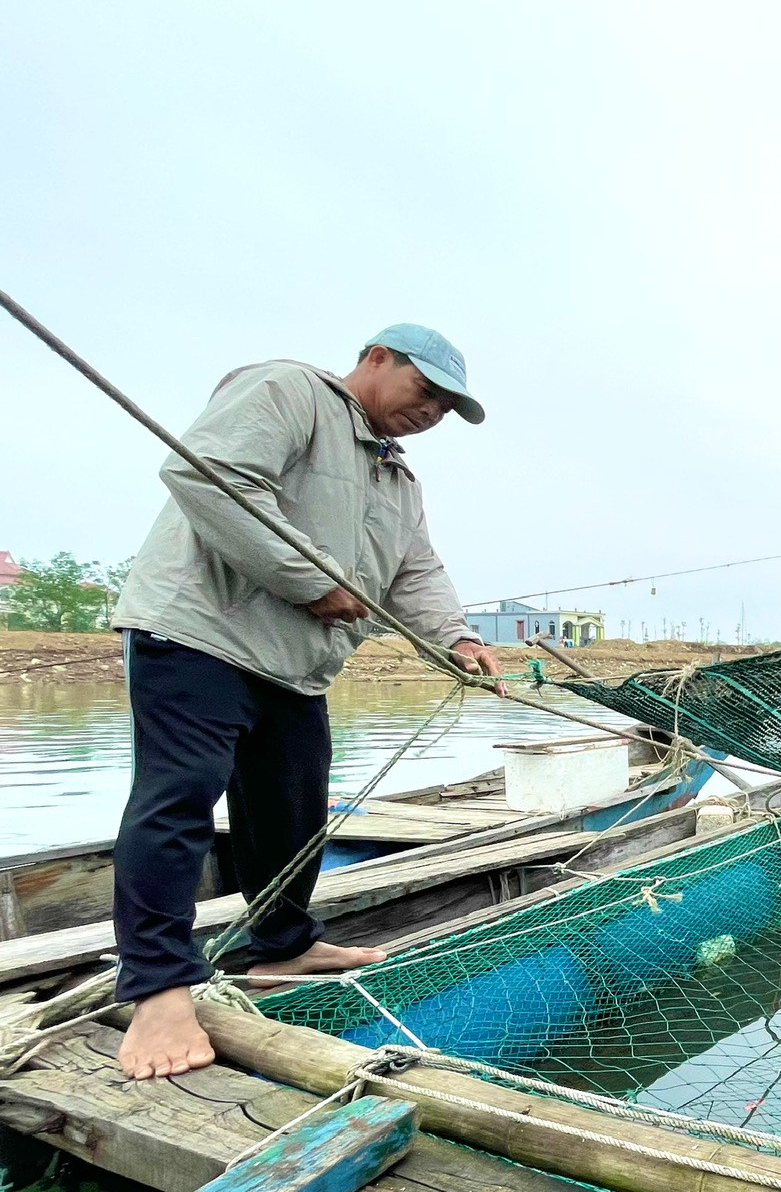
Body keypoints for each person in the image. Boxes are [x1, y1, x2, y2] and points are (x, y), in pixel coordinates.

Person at [109, 325, 504, 1080]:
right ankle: (158, 989)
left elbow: (414, 572)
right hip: (200, 634)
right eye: (426, 392)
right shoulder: (292, 391)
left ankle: (282, 946)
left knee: (292, 806)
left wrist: (456, 639)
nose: (432, 414)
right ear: (377, 359)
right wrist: (308, 580)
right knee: (179, 799)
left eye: (447, 409)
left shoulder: (398, 479)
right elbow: (208, 477)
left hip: (294, 664)